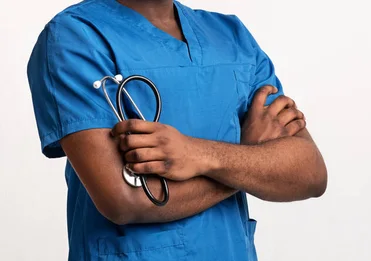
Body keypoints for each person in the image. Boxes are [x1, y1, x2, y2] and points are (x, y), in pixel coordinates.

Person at [26, 0, 327, 260]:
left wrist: (201, 155)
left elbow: (310, 173)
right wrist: (252, 159)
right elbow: (122, 201)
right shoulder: (75, 36)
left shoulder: (232, 37)